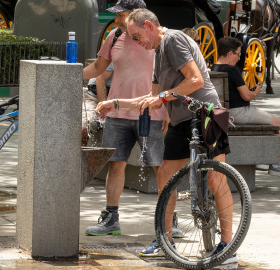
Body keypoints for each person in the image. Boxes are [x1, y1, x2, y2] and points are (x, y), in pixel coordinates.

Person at [96, 9, 236, 264]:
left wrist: (162, 97)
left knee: (217, 180)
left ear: (149, 25)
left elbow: (194, 80)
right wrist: (114, 103)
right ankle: (165, 240)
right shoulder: (158, 53)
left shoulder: (172, 40)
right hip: (182, 119)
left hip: (206, 113)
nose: (137, 43)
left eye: (137, 36)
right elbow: (152, 99)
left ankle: (228, 247)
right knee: (165, 174)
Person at [82, 0, 168, 237]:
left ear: (137, 15)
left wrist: (168, 109)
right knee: (115, 164)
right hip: (117, 112)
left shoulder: (156, 36)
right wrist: (69, 74)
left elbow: (169, 74)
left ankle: (170, 220)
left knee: (161, 168)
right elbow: (99, 67)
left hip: (152, 113)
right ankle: (111, 218)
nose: (118, 18)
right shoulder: (114, 36)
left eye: (121, 14)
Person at [211, 36, 280, 177]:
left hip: (224, 112)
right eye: (238, 54)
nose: (239, 58)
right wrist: (256, 92)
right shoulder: (232, 70)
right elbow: (246, 96)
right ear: (230, 54)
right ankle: (276, 163)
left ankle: (261, 158)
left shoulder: (214, 68)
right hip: (239, 112)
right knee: (276, 122)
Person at [82, 62, 114, 146]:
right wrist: (103, 108)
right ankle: (79, 158)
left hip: (118, 99)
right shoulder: (118, 52)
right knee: (83, 128)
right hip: (95, 97)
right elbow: (100, 80)